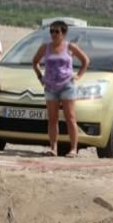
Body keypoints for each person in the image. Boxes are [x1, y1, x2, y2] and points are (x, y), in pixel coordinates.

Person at [32, 20, 90, 157]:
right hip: (50, 87)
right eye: (51, 31)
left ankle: (73, 149)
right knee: (52, 119)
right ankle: (53, 148)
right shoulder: (45, 47)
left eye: (56, 31)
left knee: (70, 117)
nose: (53, 34)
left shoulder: (70, 47)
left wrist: (78, 75)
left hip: (67, 86)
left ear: (63, 33)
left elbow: (85, 61)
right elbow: (35, 62)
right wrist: (40, 77)